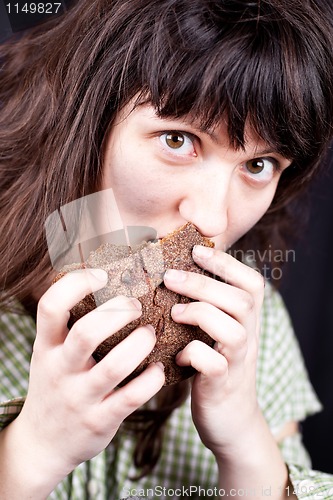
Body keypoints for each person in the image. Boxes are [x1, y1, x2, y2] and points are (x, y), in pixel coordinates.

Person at [0, 0, 333, 498]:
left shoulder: (248, 328)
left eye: (258, 165)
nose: (214, 219)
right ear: (85, 119)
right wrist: (33, 451)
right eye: (178, 139)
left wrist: (244, 439)